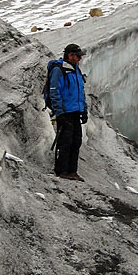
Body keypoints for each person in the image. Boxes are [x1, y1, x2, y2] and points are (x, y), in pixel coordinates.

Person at [49, 43, 88, 181]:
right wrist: (59, 113)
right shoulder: (59, 70)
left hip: (76, 112)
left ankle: (72, 171)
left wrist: (84, 110)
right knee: (65, 142)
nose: (79, 59)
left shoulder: (76, 70)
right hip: (65, 113)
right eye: (78, 56)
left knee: (76, 141)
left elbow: (80, 93)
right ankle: (61, 170)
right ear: (70, 55)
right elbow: (54, 92)